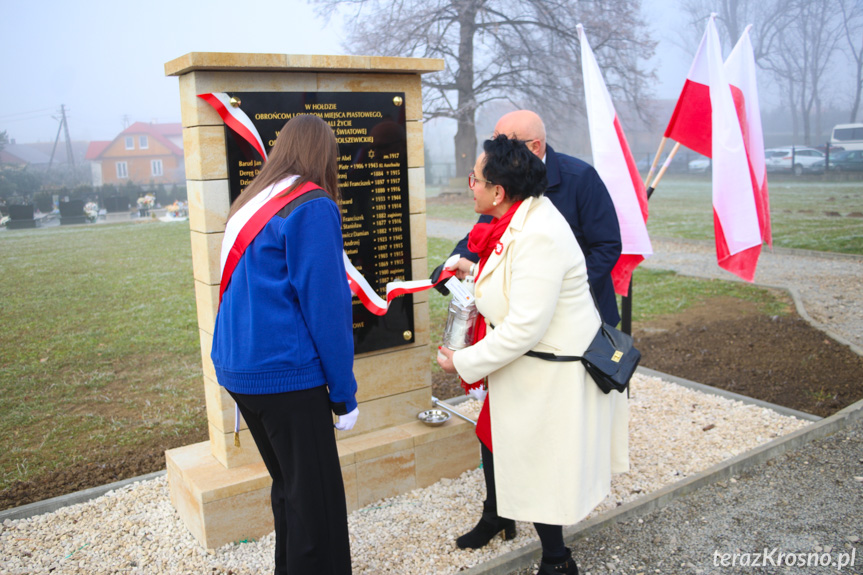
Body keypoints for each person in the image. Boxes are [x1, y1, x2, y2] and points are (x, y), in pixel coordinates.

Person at [437, 135, 628, 575]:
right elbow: (510, 276)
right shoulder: (520, 219)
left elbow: (525, 326)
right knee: (516, 454)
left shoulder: (539, 233)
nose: (471, 186)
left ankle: (558, 562)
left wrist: (461, 362)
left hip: (550, 374)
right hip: (531, 371)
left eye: (476, 179)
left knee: (543, 468)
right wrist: (468, 267)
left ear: (498, 191)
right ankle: (507, 522)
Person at [210, 114, 358, 575]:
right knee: (318, 507)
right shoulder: (310, 205)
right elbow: (327, 306)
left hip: (242, 372)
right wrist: (343, 393)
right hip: (287, 378)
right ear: (323, 155)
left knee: (291, 488)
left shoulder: (251, 201)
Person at [438, 109, 622, 326]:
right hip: (522, 309)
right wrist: (450, 265)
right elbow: (485, 231)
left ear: (535, 146)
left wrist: (565, 291)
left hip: (582, 314)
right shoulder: (503, 179)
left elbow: (606, 246)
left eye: (506, 143)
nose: (496, 151)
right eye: (495, 141)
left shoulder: (580, 178)